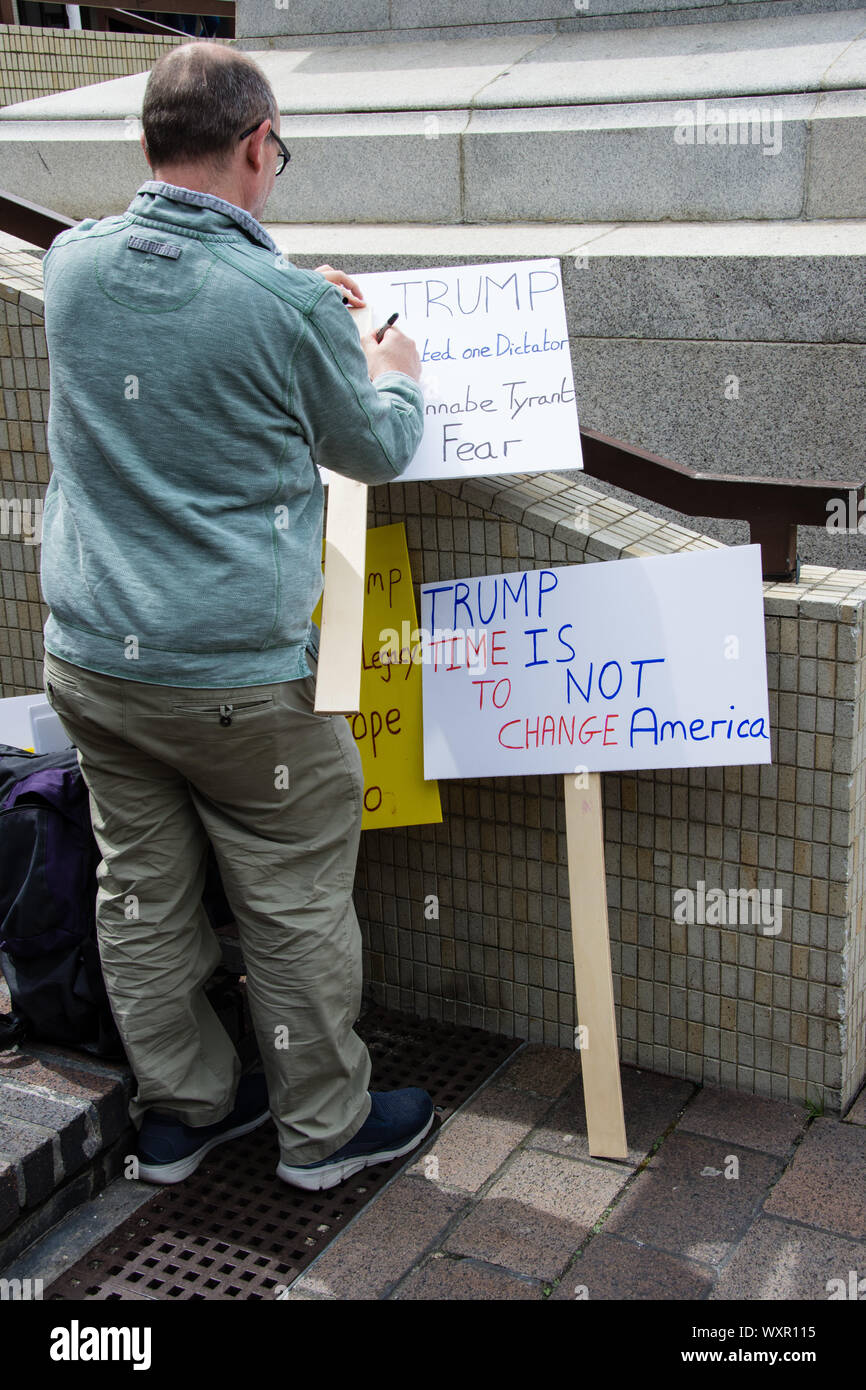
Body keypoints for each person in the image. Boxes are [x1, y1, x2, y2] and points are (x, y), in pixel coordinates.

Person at [39, 41, 434, 1192]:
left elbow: (178, 314)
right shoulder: (287, 306)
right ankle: (323, 1131)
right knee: (294, 896)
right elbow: (375, 446)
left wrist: (287, 294)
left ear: (151, 141)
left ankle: (182, 1113)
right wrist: (391, 362)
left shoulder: (71, 264)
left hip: (92, 660)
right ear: (259, 144)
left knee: (141, 891)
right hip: (236, 682)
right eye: (280, 151)